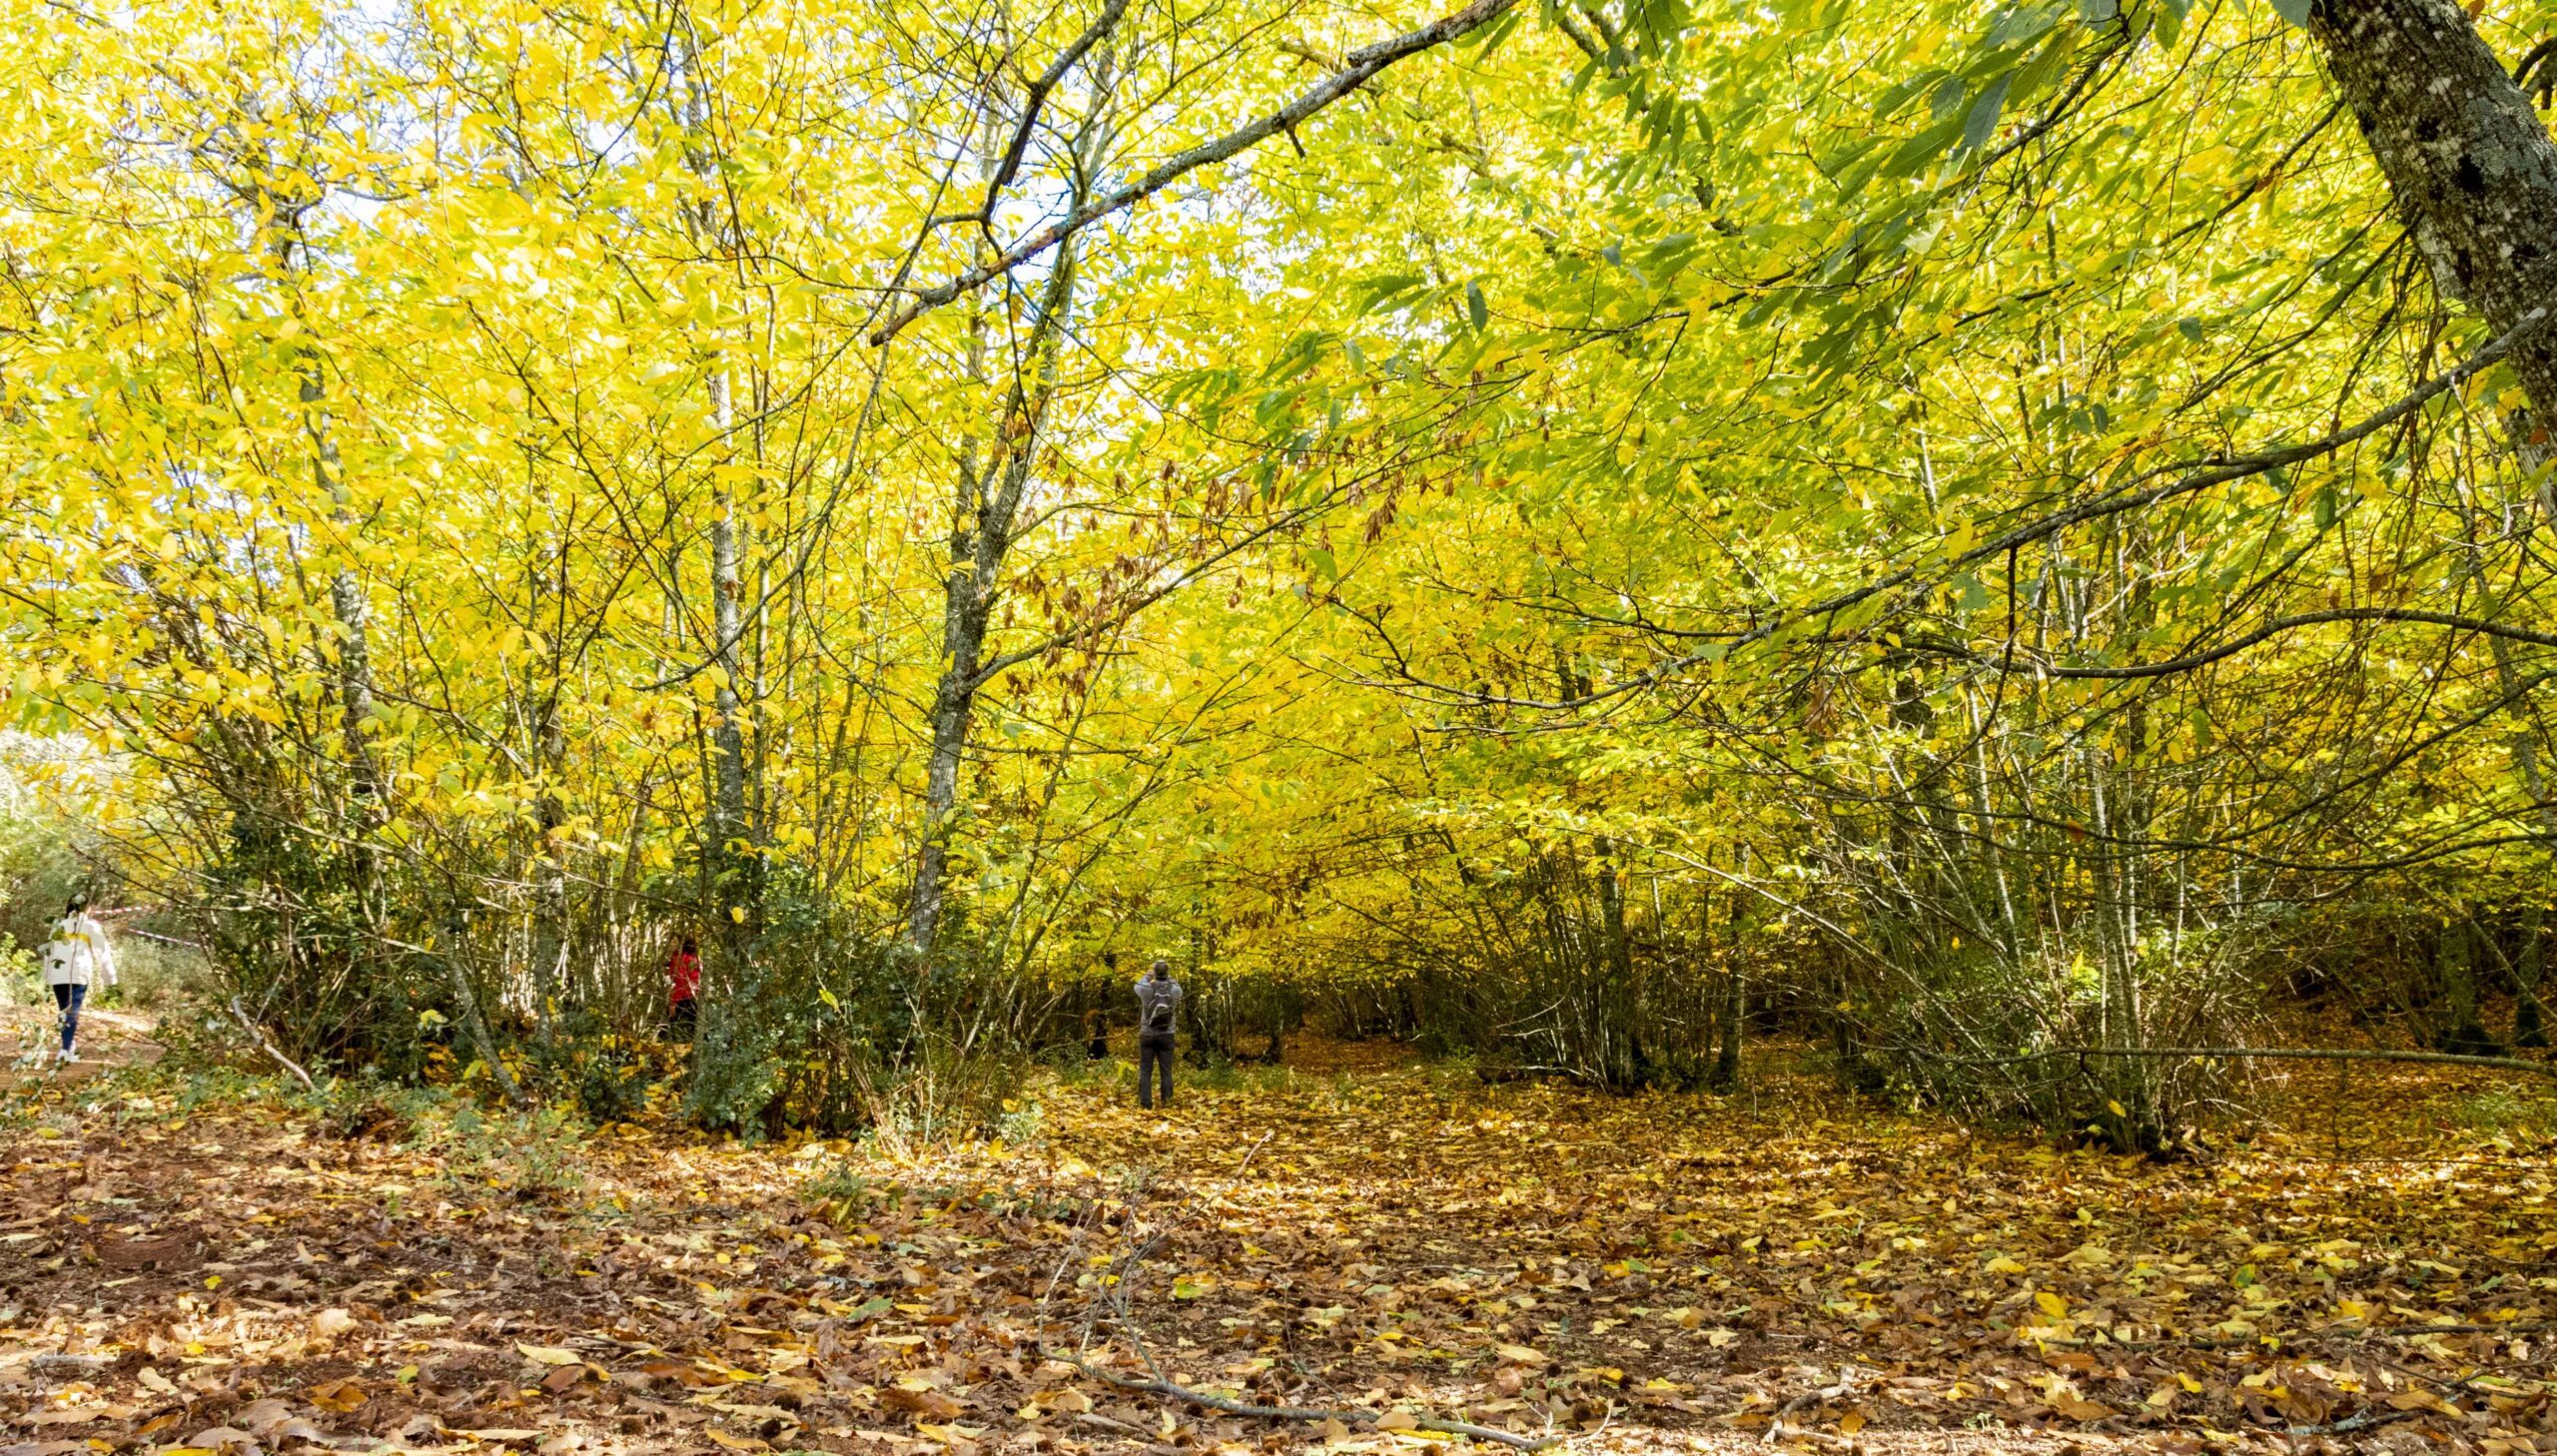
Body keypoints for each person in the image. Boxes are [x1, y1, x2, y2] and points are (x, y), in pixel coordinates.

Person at [39, 894, 115, 1065]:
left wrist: (46, 975)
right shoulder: (91, 926)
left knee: (64, 1009)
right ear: (88, 908)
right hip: (79, 973)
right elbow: (102, 952)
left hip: (58, 974)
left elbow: (48, 952)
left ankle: (68, 1044)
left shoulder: (58, 925)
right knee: (72, 1010)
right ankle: (65, 1050)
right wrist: (110, 978)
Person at [1134, 959, 1183, 1110]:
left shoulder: (1146, 988)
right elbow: (1178, 989)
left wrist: (1147, 976)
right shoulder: (1174, 990)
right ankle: (1167, 1104)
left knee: (1145, 1070)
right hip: (1167, 1034)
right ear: (1167, 973)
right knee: (1166, 1071)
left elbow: (1136, 986)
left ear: (1154, 972)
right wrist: (1169, 978)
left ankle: (1146, 1104)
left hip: (1147, 1034)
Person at [666, 936, 700, 1038]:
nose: (671, 944)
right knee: (695, 1027)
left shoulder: (680, 959)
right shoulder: (694, 958)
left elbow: (681, 981)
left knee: (668, 1026)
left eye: (674, 942)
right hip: (692, 995)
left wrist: (673, 1002)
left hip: (685, 996)